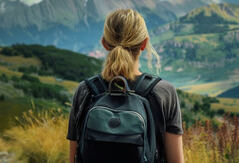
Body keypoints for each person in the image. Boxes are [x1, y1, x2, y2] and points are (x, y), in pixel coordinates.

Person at [67, 9, 184, 163]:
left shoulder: (86, 90)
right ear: (144, 44)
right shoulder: (163, 92)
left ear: (104, 43)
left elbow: (74, 158)